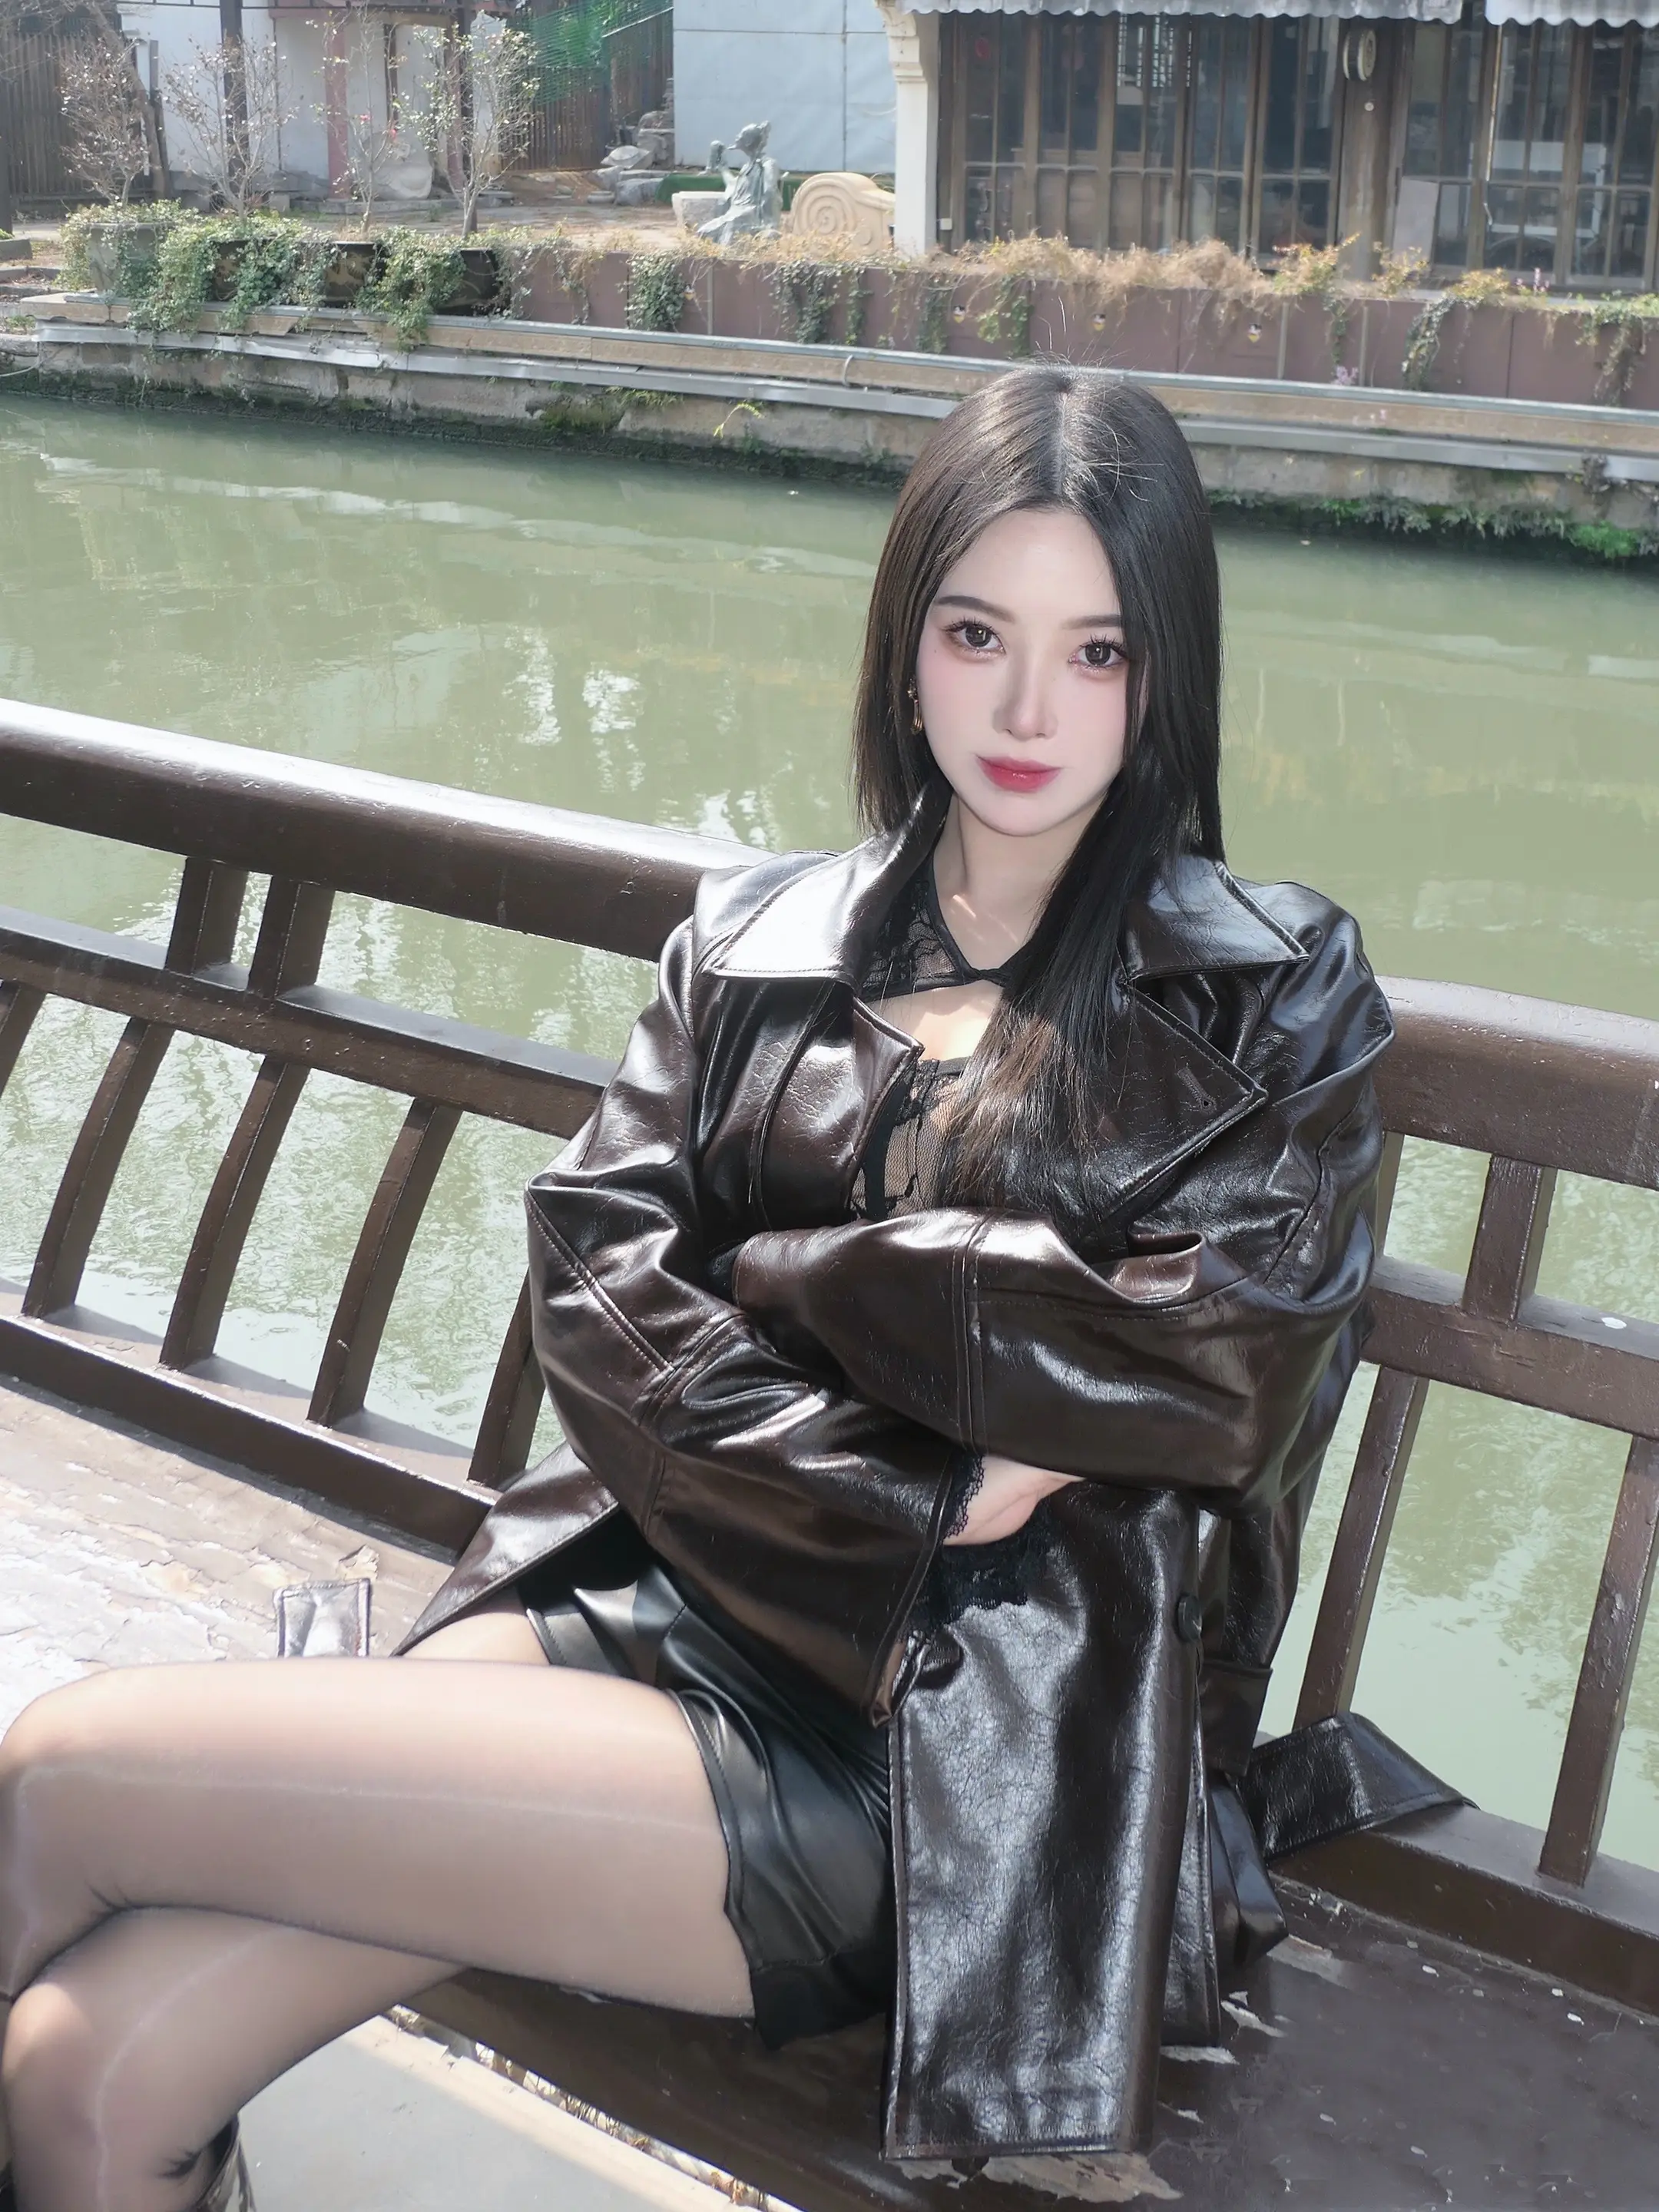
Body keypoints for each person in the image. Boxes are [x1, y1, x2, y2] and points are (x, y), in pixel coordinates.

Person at [0, 367, 1445, 2212]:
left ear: (1165, 676)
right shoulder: (755, 943)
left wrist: (785, 1276)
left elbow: (1215, 1368)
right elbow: (596, 1287)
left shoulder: (1276, 990)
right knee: (84, 2078)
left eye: (1095, 653)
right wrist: (917, 1468)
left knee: (60, 1773)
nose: (1026, 709)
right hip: (666, 1597)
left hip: (962, 1755)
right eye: (978, 634)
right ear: (904, 644)